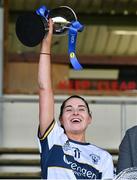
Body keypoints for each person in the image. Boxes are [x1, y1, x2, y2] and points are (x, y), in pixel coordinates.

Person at [37, 19, 114, 179]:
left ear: (89, 119)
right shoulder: (53, 139)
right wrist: (46, 45)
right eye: (69, 109)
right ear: (60, 120)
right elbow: (45, 89)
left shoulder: (103, 158)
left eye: (81, 109)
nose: (75, 113)